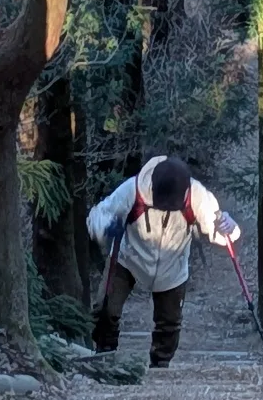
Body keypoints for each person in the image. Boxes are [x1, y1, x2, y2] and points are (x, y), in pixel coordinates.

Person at [86, 153, 241, 367]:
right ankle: (104, 356)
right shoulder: (133, 189)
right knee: (106, 309)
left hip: (173, 267)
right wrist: (105, 227)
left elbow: (219, 232)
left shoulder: (197, 194)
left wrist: (229, 228)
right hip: (128, 260)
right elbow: (97, 216)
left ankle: (160, 367)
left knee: (169, 323)